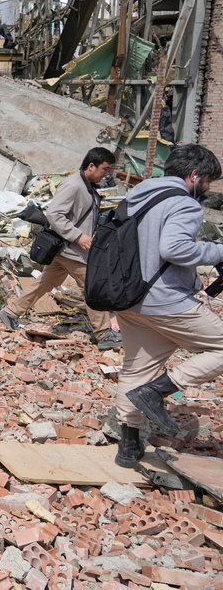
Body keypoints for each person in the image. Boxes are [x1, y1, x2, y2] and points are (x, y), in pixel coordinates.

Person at [112, 144, 223, 468]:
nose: (207, 189)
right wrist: (218, 252)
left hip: (128, 298)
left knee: (136, 368)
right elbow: (174, 248)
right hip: (165, 300)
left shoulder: (137, 194)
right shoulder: (184, 204)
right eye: (207, 182)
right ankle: (158, 391)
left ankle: (128, 449)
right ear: (194, 176)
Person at [0, 147, 122, 350]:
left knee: (45, 283)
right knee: (92, 288)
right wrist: (78, 236)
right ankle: (104, 333)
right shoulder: (74, 185)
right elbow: (54, 214)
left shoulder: (87, 185)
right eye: (105, 169)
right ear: (91, 166)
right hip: (72, 250)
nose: (106, 174)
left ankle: (11, 312)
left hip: (67, 249)